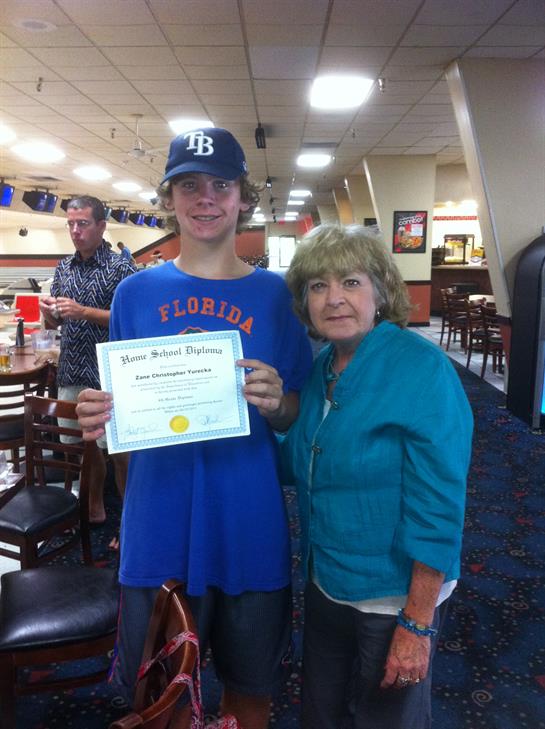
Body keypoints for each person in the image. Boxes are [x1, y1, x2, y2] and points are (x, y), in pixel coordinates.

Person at [75, 127, 312, 729]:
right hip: (159, 521)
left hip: (248, 519)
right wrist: (101, 417)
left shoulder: (275, 296)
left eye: (221, 184)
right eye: (189, 185)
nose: (206, 198)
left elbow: (297, 415)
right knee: (162, 701)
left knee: (249, 695)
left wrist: (277, 401)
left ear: (242, 197)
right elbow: (125, 409)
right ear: (170, 198)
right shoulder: (134, 293)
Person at [281, 224, 473, 729]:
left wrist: (416, 623)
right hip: (327, 579)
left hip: (394, 595)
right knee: (320, 713)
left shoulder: (422, 369)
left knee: (384, 718)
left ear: (381, 292)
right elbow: (299, 462)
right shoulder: (323, 365)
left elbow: (439, 505)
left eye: (351, 282)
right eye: (318, 286)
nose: (334, 299)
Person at [39, 195, 137, 524]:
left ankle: (129, 520)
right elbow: (55, 324)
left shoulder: (122, 267)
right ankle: (94, 507)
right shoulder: (63, 267)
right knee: (86, 448)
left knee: (120, 452)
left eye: (82, 223)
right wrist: (48, 315)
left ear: (101, 226)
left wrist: (84, 312)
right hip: (72, 369)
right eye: (70, 223)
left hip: (110, 373)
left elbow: (131, 319)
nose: (75, 230)